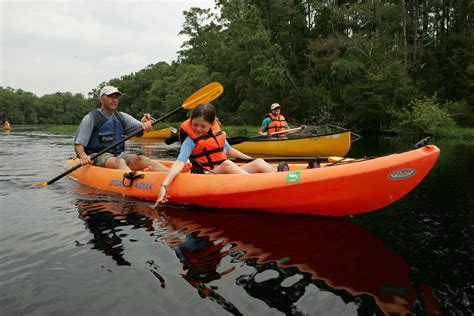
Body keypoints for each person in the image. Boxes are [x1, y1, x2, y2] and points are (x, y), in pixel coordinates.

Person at [155, 103, 280, 206]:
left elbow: (229, 151)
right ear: (191, 121)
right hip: (205, 176)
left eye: (203, 126)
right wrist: (164, 185)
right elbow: (179, 162)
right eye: (195, 125)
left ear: (212, 124)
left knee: (258, 162)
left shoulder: (216, 133)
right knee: (227, 164)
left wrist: (250, 160)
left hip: (221, 171)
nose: (198, 129)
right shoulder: (190, 140)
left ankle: (280, 178)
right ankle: (261, 186)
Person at [73, 85, 168, 172]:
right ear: (101, 99)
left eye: (116, 97)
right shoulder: (91, 118)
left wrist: (146, 124)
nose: (114, 100)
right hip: (97, 155)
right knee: (119, 162)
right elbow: (78, 143)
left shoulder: (122, 117)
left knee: (141, 159)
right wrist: (83, 156)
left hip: (119, 154)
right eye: (110, 96)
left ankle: (171, 174)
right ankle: (131, 179)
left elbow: (141, 127)